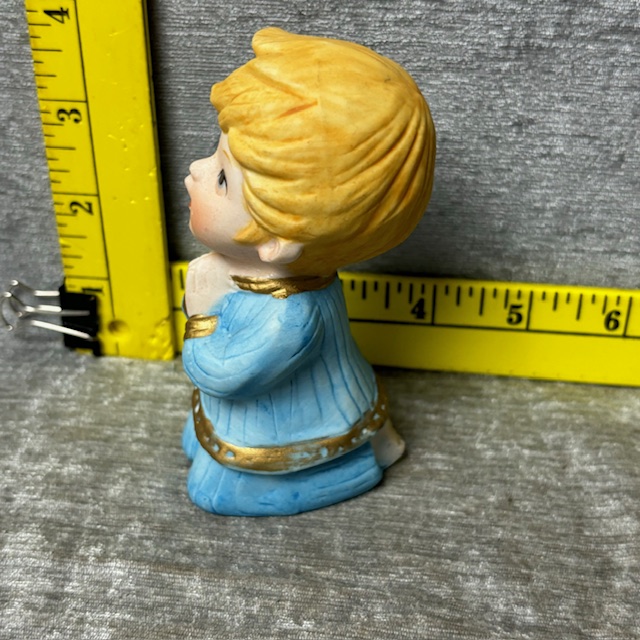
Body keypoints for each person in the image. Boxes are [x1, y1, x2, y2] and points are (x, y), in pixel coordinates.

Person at [181, 27, 436, 515]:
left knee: (211, 492)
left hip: (287, 425)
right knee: (203, 437)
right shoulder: (270, 276)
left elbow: (223, 375)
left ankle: (338, 470)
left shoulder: (288, 317)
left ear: (277, 241)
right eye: (216, 153)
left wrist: (201, 315)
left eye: (222, 178)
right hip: (266, 407)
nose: (196, 168)